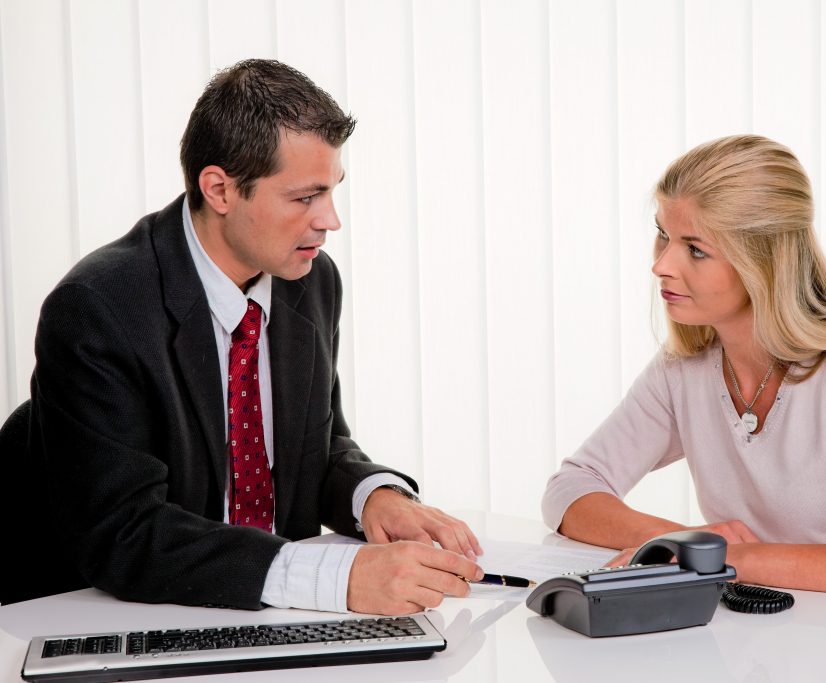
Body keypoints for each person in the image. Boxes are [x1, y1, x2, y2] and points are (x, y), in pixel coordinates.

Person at [21, 58, 483, 614]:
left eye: (333, 191)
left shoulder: (308, 280)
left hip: (263, 615)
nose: (330, 220)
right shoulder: (100, 307)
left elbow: (314, 446)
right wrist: (331, 578)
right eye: (304, 197)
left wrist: (374, 496)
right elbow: (123, 534)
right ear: (219, 189)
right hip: (103, 615)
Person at [541, 134, 826, 599]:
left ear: (764, 261)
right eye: (662, 234)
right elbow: (571, 489)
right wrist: (683, 543)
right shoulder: (684, 369)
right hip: (779, 633)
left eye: (695, 249)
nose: (661, 265)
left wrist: (734, 559)